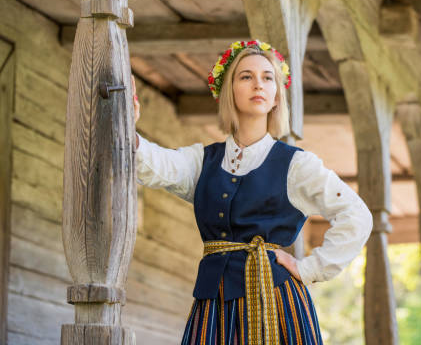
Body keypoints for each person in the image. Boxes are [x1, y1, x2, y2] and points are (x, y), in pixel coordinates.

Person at [132, 40, 373, 344]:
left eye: (267, 77)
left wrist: (310, 268)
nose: (258, 84)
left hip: (275, 303)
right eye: (246, 76)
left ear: (275, 96)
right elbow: (158, 165)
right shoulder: (202, 161)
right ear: (229, 90)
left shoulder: (297, 165)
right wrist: (129, 130)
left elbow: (357, 215)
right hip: (213, 307)